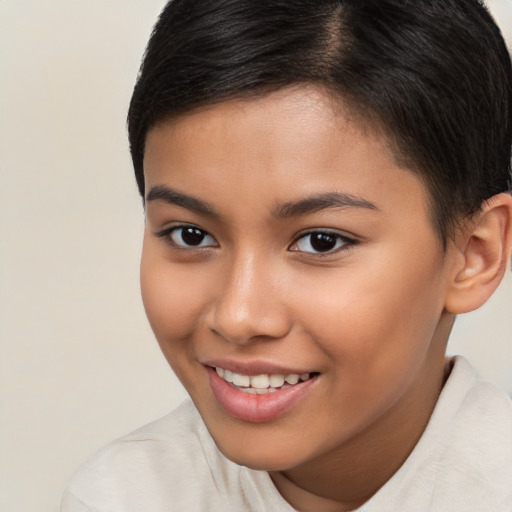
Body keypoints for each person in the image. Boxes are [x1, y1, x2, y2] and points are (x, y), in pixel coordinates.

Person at [61, 0, 512, 510]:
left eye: (322, 241)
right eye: (190, 235)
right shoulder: (121, 497)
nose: (238, 316)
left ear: (475, 255)